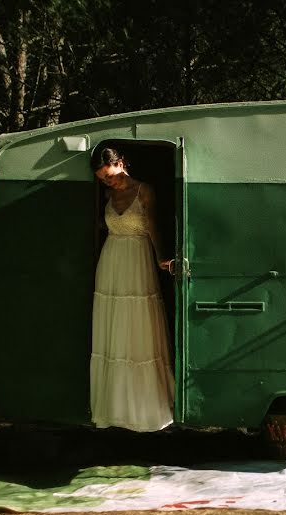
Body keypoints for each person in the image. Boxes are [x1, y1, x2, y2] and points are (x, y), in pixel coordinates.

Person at [89, 146, 175, 431]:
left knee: (138, 327)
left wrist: (162, 256)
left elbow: (152, 227)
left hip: (138, 259)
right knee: (114, 328)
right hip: (112, 260)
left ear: (121, 163)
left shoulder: (144, 190)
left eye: (110, 175)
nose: (108, 182)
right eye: (103, 179)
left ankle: (144, 409)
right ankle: (114, 408)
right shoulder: (106, 194)